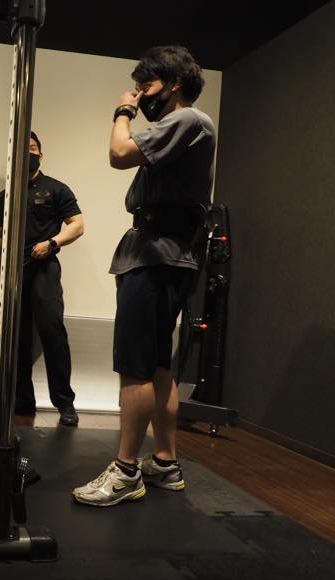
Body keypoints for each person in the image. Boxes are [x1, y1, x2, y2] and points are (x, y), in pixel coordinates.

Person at [73, 45, 216, 505]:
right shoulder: (182, 129)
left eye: (146, 86)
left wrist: (122, 111)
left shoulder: (187, 119)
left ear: (174, 83)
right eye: (135, 90)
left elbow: (119, 153)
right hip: (160, 253)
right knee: (157, 368)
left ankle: (125, 471)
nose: (139, 94)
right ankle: (165, 462)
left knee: (135, 367)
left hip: (157, 256)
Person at [0, 131, 85, 426]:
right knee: (16, 336)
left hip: (44, 269)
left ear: (41, 154)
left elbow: (77, 225)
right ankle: (22, 401)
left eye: (33, 148)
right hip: (13, 270)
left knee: (52, 332)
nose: (29, 153)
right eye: (23, 149)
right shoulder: (5, 196)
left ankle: (65, 404)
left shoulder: (56, 189)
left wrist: (52, 243)